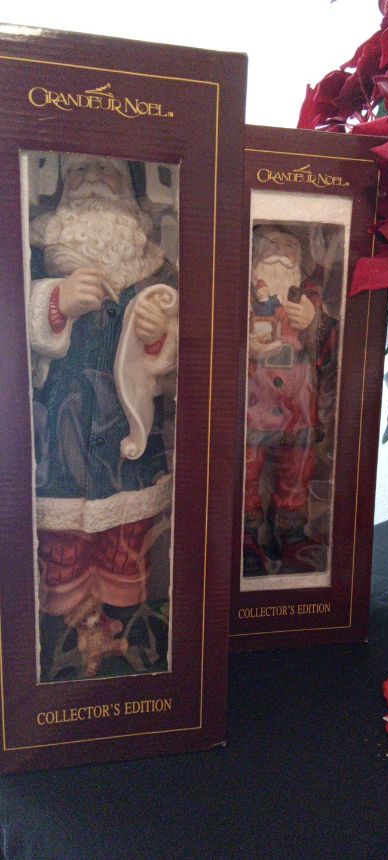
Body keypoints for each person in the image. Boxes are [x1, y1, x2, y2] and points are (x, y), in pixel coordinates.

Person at [28, 153, 178, 677]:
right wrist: (54, 301)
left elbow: (183, 344)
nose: (93, 179)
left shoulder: (154, 267)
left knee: (128, 536)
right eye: (80, 171)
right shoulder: (36, 254)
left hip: (128, 434)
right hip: (59, 431)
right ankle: (66, 641)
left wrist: (159, 335)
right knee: (62, 540)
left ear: (129, 192)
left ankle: (126, 635)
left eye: (107, 171)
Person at [243, 226, 336, 576]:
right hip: (254, 402)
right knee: (246, 468)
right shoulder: (242, 298)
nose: (281, 253)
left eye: (288, 247)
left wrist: (315, 323)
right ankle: (246, 534)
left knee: (299, 469)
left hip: (298, 404)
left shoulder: (309, 301)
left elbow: (331, 353)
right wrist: (245, 345)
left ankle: (291, 532)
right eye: (271, 246)